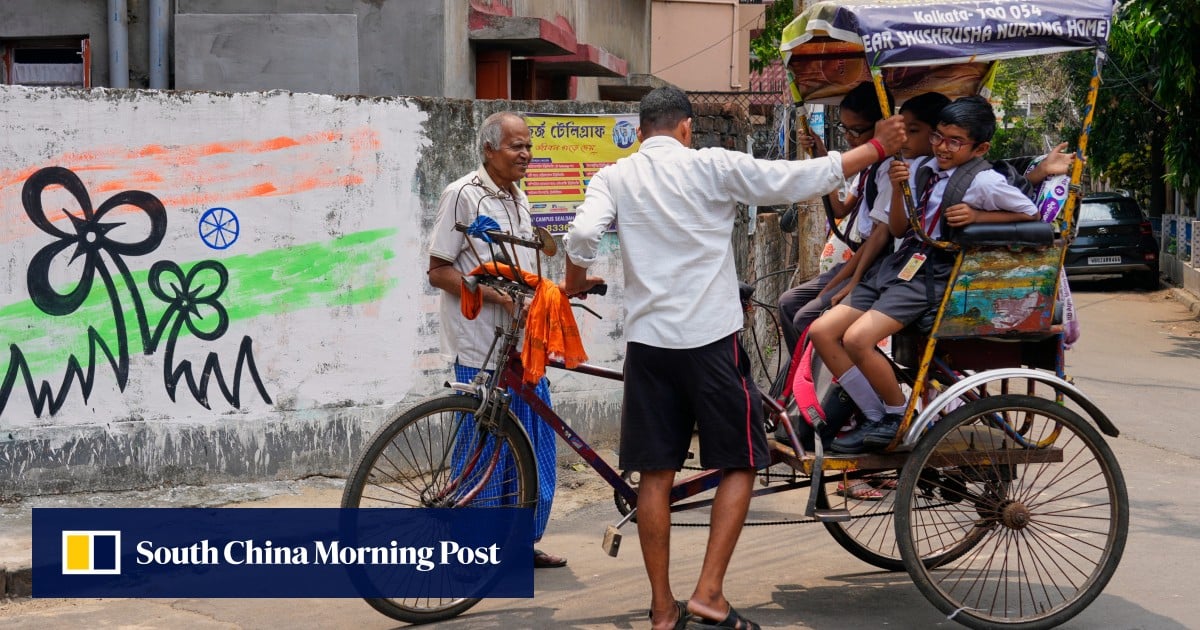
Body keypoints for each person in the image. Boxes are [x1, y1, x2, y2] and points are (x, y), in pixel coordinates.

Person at [562, 87, 905, 630]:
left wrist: (575, 279)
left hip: (649, 346)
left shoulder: (615, 176)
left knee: (655, 475)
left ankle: (662, 610)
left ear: (642, 131)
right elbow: (794, 179)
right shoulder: (711, 165)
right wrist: (877, 148)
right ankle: (709, 594)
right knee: (741, 461)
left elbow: (582, 233)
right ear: (685, 128)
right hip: (710, 342)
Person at [808, 95, 1040, 455]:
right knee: (821, 331)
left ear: (980, 148)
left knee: (857, 339)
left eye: (954, 142)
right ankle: (876, 416)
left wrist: (979, 217)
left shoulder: (984, 181)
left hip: (931, 273)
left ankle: (896, 415)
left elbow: (1030, 213)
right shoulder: (924, 169)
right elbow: (899, 228)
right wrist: (899, 189)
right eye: (938, 137)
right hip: (901, 264)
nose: (942, 147)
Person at [427, 111, 568, 569]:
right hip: (480, 345)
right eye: (516, 146)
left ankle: (519, 544)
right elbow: (439, 270)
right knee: (483, 449)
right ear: (489, 150)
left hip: (521, 345)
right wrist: (498, 298)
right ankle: (473, 550)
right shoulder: (462, 194)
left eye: (528, 146)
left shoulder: (519, 198)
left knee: (533, 446)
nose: (525, 154)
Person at [777, 82, 895, 354]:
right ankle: (798, 374)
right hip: (858, 258)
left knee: (806, 317)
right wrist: (821, 158)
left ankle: (826, 375)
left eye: (857, 130)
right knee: (787, 303)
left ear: (881, 126)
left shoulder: (891, 169)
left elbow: (878, 237)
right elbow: (841, 210)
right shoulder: (868, 167)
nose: (850, 138)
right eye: (845, 129)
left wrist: (848, 282)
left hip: (874, 263)